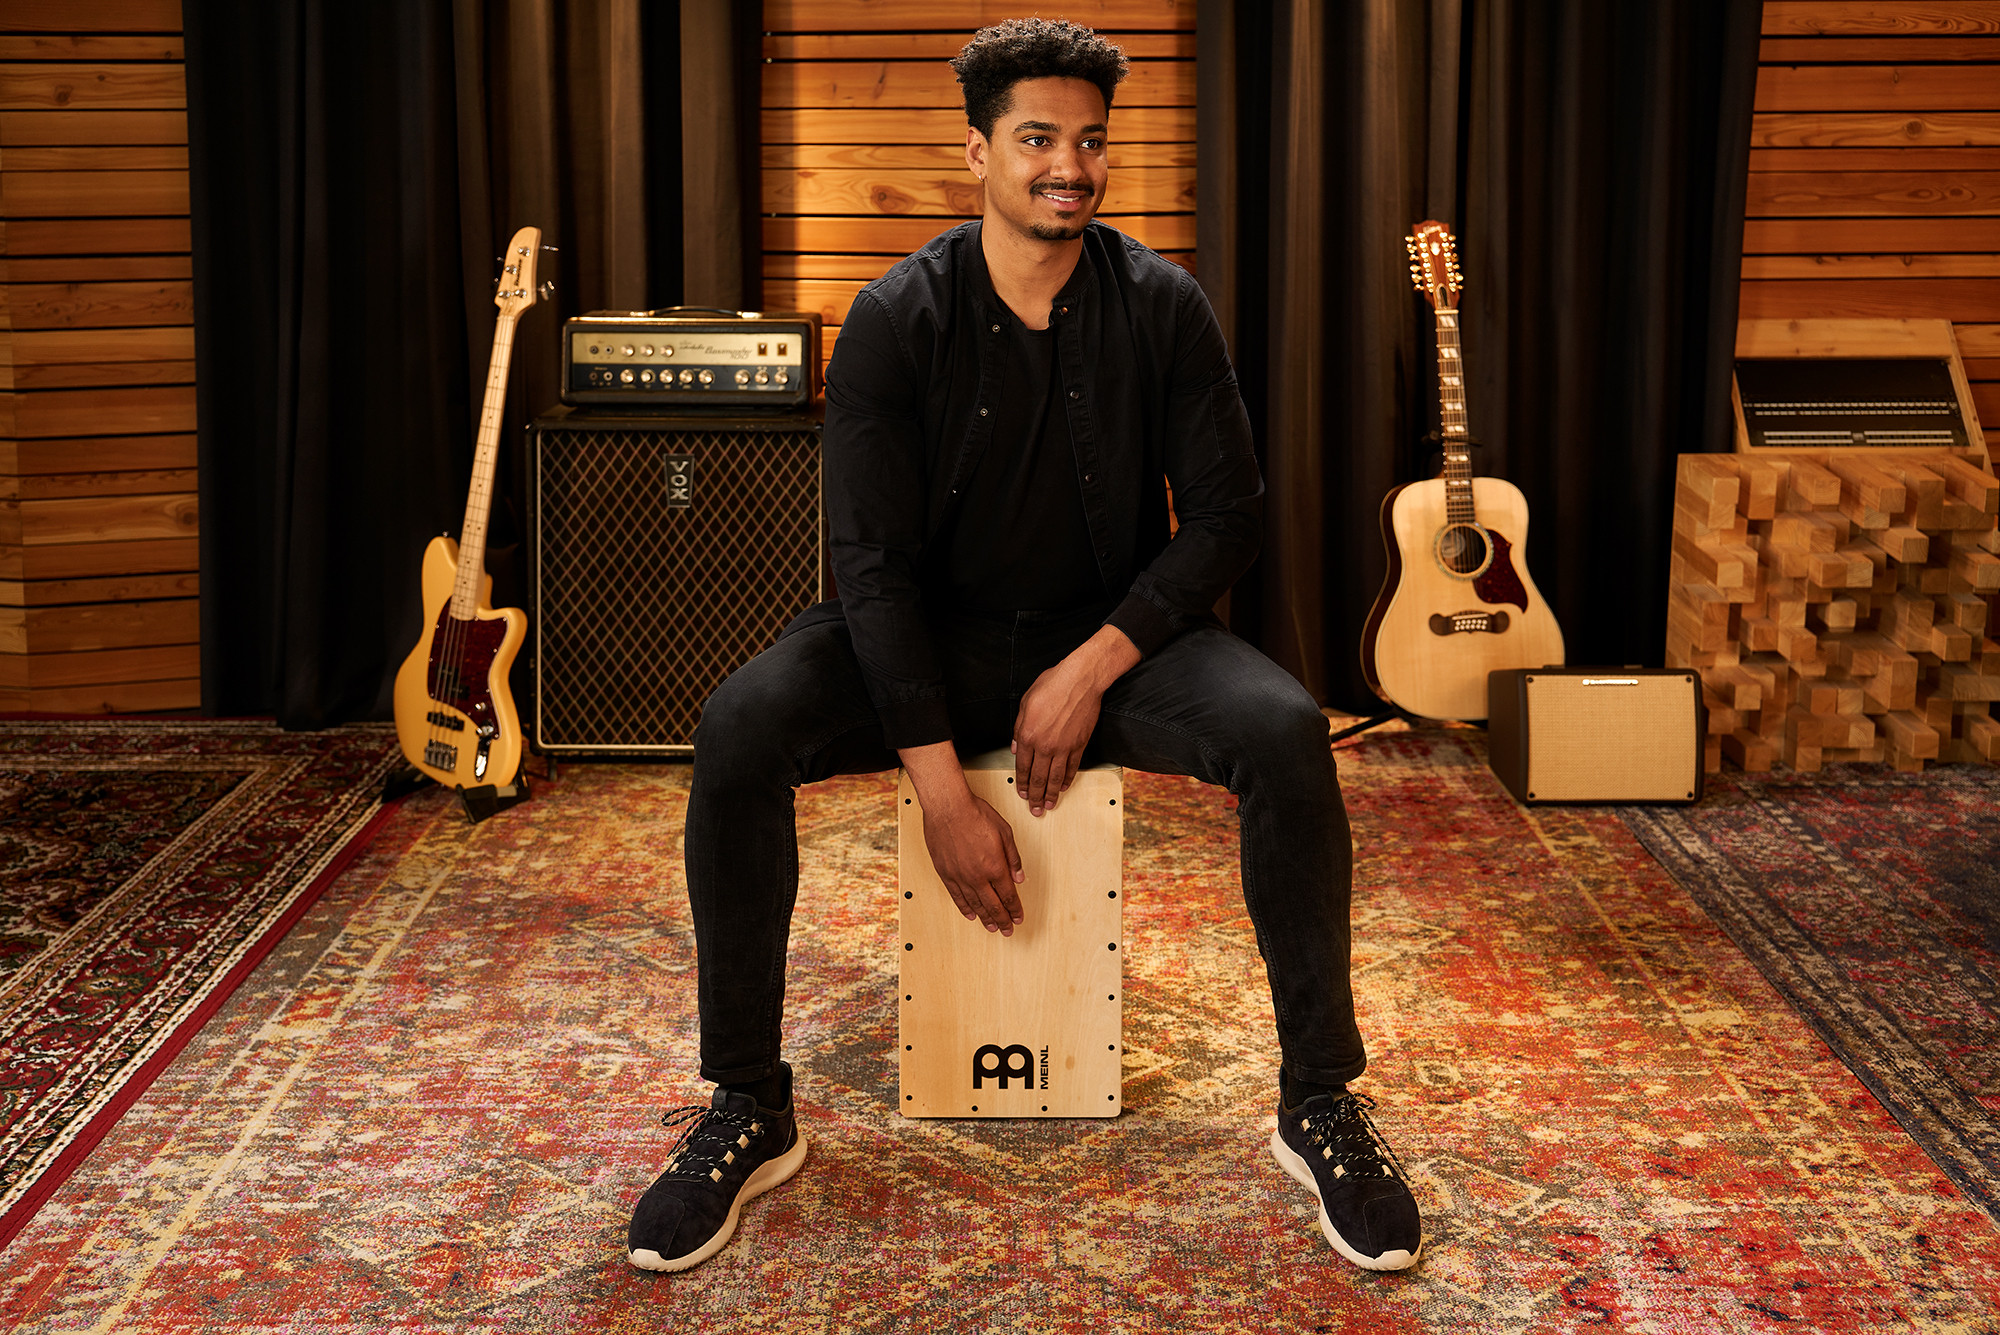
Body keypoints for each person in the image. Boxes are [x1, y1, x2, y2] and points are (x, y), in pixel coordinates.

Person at [626, 17, 1423, 1275]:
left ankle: (1317, 1097)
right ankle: (747, 1102)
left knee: (1283, 732)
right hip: (923, 637)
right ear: (977, 154)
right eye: (1038, 139)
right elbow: (869, 567)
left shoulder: (1162, 305)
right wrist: (941, 791)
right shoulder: (893, 317)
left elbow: (1228, 517)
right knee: (738, 726)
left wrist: (1092, 664)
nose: (1068, 166)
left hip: (1109, 639)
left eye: (1089, 142)